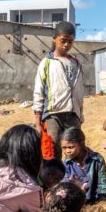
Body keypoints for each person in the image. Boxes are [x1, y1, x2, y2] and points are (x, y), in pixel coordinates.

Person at [33, 22, 84, 159]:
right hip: (52, 115)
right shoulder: (47, 63)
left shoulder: (76, 63)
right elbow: (38, 91)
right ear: (54, 38)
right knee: (52, 150)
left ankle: (72, 178)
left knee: (74, 150)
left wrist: (80, 114)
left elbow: (80, 92)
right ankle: (53, 178)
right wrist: (38, 120)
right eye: (63, 40)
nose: (66, 44)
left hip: (73, 115)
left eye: (70, 41)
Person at [60, 127, 106, 203]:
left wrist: (100, 206)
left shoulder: (97, 160)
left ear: (81, 143)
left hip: (96, 204)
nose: (67, 151)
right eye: (64, 148)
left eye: (71, 147)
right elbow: (64, 190)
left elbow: (103, 187)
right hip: (75, 205)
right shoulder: (66, 164)